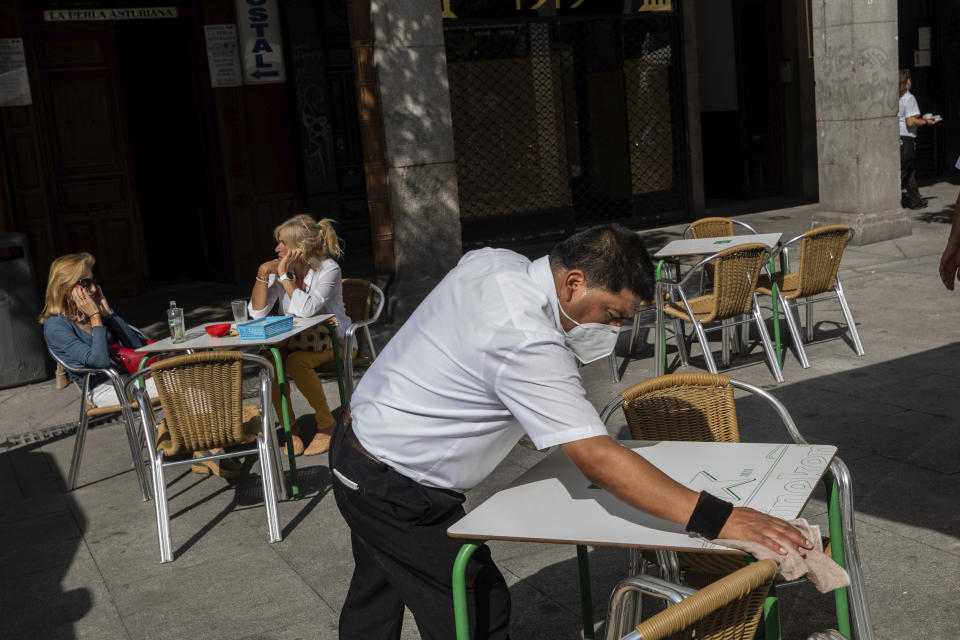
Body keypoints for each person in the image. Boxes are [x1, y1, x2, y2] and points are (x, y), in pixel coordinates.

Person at [329, 225, 812, 639]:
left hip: (364, 442)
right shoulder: (526, 338)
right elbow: (596, 457)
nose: (613, 330)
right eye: (613, 315)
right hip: (393, 484)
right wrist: (720, 519)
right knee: (475, 606)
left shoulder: (494, 263)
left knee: (377, 589)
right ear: (573, 283)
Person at [40, 253, 242, 481]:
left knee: (191, 376)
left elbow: (137, 347)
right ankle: (210, 447)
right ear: (66, 287)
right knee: (183, 383)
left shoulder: (91, 313)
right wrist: (96, 318)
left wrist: (110, 315)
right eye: (86, 283)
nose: (94, 289)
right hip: (103, 387)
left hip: (130, 377)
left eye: (94, 281)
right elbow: (99, 361)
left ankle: (206, 446)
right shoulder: (56, 325)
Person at [250, 214, 351, 456]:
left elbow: (306, 310)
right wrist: (264, 273)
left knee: (296, 362)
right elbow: (256, 313)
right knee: (269, 361)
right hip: (296, 343)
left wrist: (285, 276)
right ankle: (290, 428)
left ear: (302, 247)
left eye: (283, 243)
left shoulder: (328, 269)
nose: (277, 248)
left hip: (335, 342)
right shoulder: (280, 269)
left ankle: (327, 424)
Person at [898, 69, 937, 209]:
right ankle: (886, 200)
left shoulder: (897, 97)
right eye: (909, 79)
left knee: (909, 171)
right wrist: (926, 122)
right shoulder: (909, 98)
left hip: (897, 137)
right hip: (907, 139)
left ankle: (915, 200)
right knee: (902, 171)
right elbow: (910, 122)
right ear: (906, 81)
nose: (911, 81)